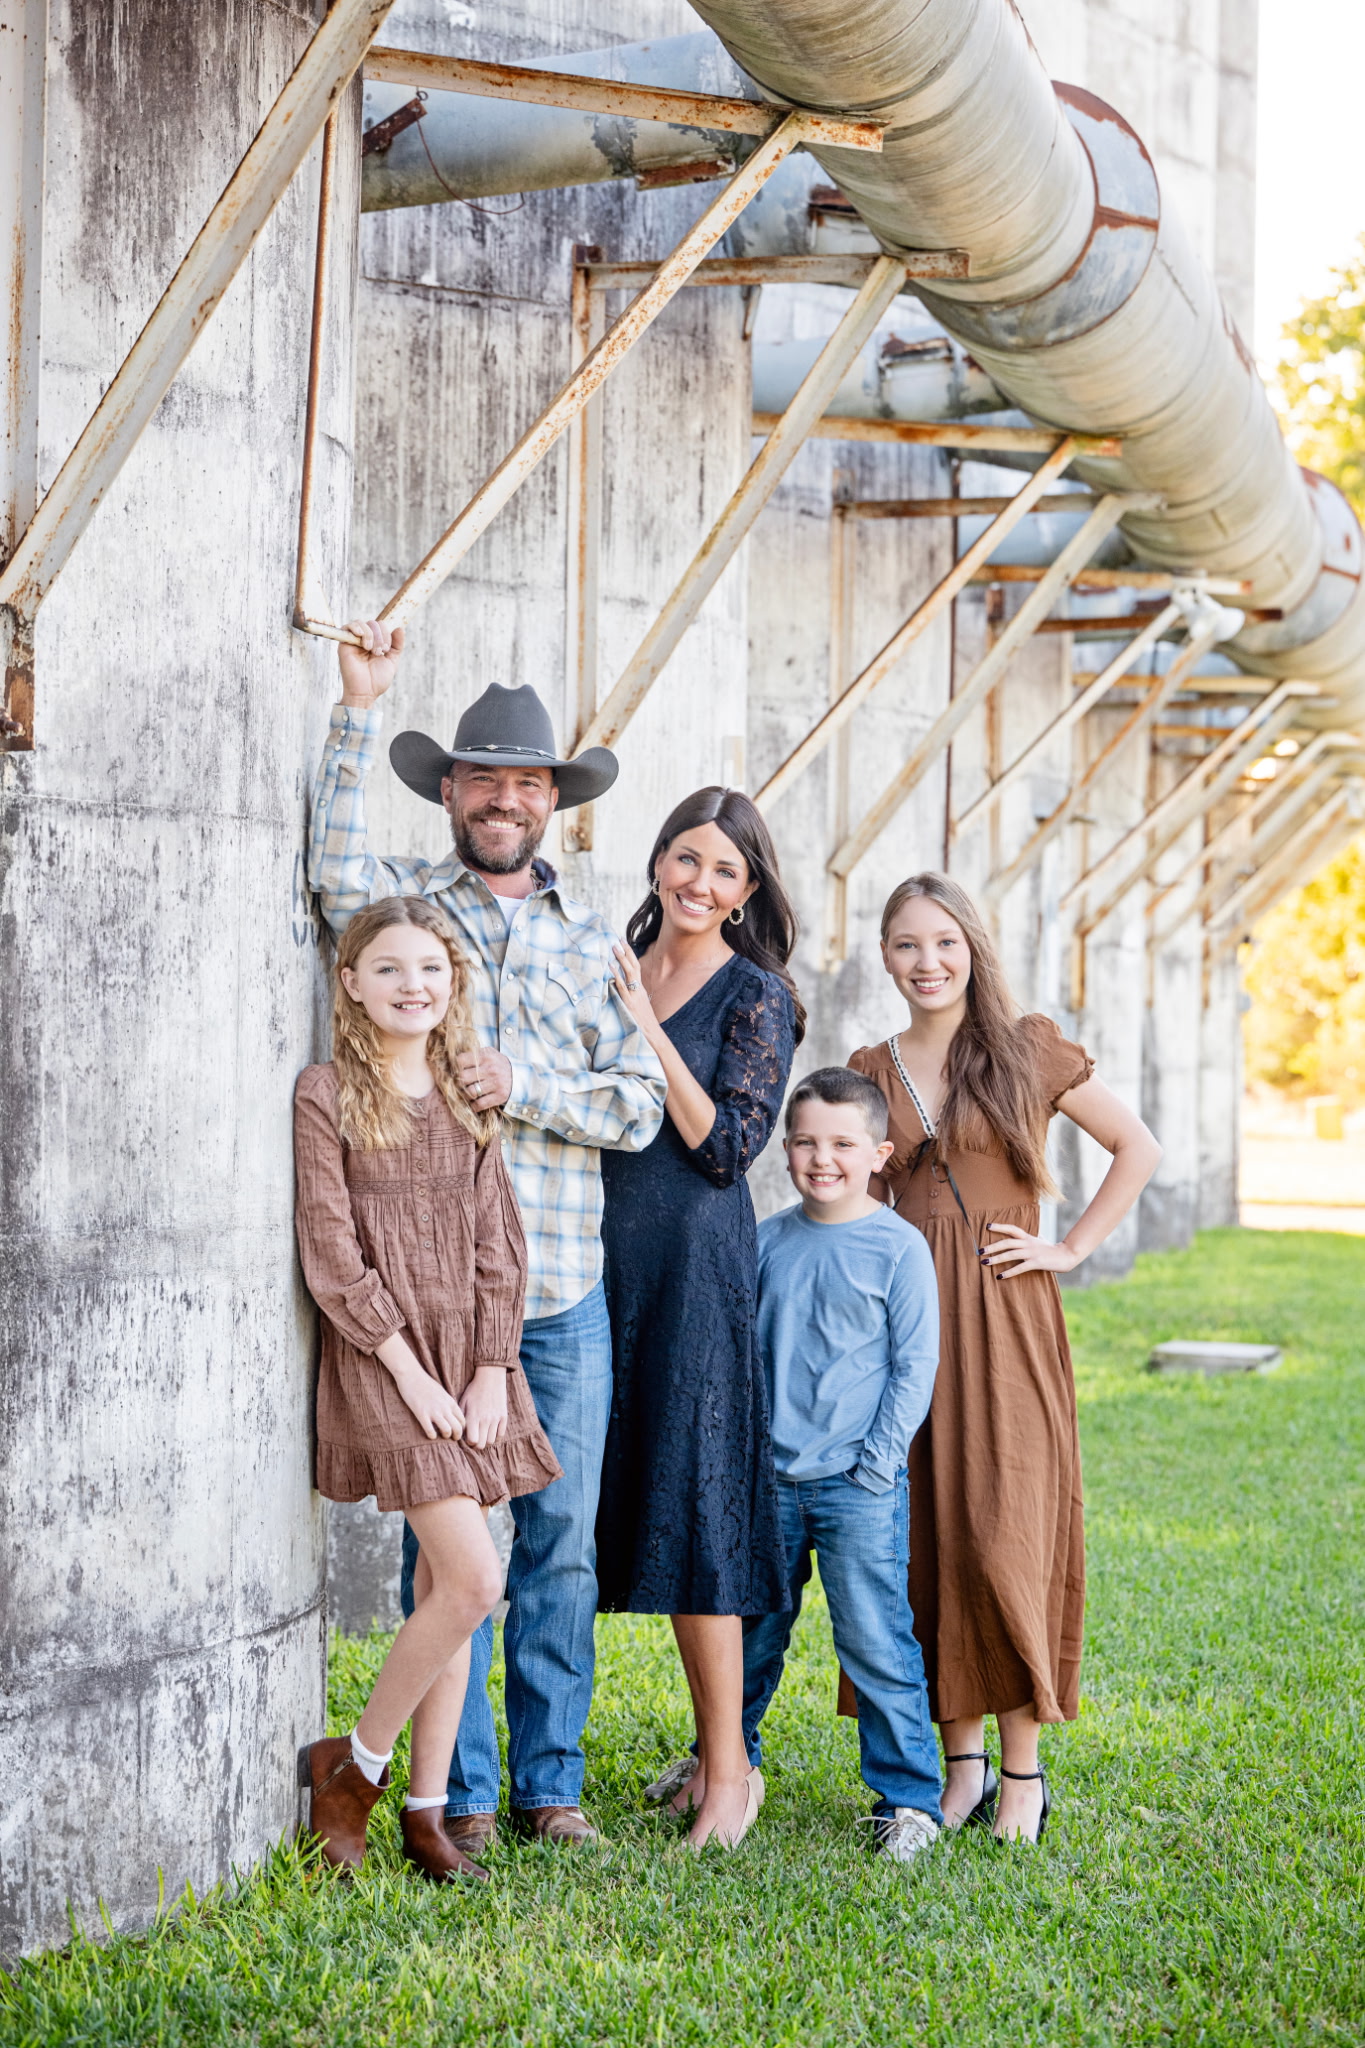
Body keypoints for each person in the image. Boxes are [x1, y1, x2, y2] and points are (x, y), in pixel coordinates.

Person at [308, 621, 666, 1854]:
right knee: (451, 1548)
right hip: (432, 1303)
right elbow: (332, 879)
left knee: (560, 1541)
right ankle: (442, 1790)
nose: (505, 798)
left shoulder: (595, 936)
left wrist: (530, 1088)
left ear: (553, 802)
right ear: (451, 793)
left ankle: (546, 1784)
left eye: (528, 781)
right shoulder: (416, 920)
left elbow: (638, 1101)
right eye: (483, 778)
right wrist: (358, 708)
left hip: (557, 1286)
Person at [846, 872, 1161, 1843]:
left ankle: (1024, 1770)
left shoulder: (1024, 1046)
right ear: (885, 955)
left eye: (944, 941)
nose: (927, 961)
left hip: (1008, 1316)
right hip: (906, 1325)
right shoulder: (873, 1065)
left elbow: (1134, 1145)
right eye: (906, 944)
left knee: (1001, 1532)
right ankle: (963, 1767)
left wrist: (1068, 1246)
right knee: (925, 1541)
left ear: (973, 946)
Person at [295, 895, 560, 1883]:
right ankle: (349, 1771)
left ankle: (426, 1810)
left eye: (432, 971)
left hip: (470, 1361)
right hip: (385, 1361)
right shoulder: (325, 1094)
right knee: (478, 1578)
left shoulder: (465, 1091)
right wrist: (410, 1374)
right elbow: (332, 1253)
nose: (414, 985)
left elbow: (501, 1241)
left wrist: (492, 1368)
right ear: (352, 981)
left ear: (453, 989)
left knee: (446, 1587)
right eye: (391, 967)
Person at [600, 788, 800, 1850]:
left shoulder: (758, 995)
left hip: (695, 1267)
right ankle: (658, 1761)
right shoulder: (616, 953)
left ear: (748, 889)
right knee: (643, 1509)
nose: (699, 882)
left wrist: (644, 1022)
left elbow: (724, 1148)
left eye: (725, 870)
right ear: (658, 858)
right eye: (686, 858)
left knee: (706, 1513)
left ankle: (732, 1770)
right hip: (603, 1256)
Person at [739, 1067, 944, 1862]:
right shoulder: (766, 1241)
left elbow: (912, 1367)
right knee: (752, 1633)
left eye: (841, 1144)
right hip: (770, 1484)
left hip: (857, 1485)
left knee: (874, 1639)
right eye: (804, 1143)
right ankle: (728, 1762)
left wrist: (875, 1465)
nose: (821, 1158)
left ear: (878, 1153)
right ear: (785, 1149)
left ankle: (907, 1800)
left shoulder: (899, 1248)